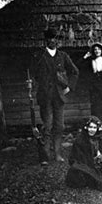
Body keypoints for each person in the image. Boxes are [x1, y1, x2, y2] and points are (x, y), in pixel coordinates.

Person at [31, 28, 79, 164]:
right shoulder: (38, 56)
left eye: (56, 39)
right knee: (47, 126)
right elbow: (32, 74)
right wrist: (34, 86)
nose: (53, 41)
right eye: (51, 38)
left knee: (59, 126)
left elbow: (75, 72)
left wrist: (69, 87)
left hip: (59, 97)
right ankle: (45, 156)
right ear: (46, 40)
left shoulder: (63, 56)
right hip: (45, 96)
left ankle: (58, 154)